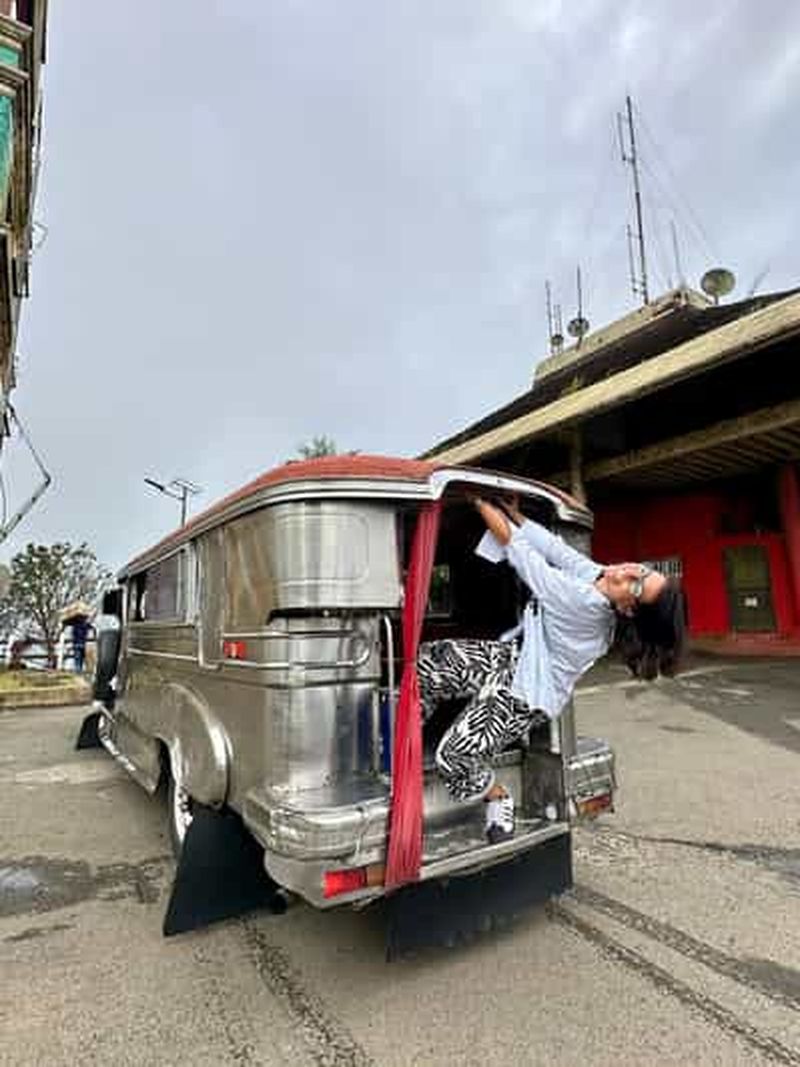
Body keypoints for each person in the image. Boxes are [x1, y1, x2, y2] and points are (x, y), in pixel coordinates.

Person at [418, 495, 686, 843]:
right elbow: (557, 551)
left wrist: (479, 500)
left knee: (453, 757)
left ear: (628, 609)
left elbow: (525, 557)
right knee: (431, 659)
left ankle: (498, 799)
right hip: (515, 656)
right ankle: (411, 724)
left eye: (636, 585)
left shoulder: (585, 607)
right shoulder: (602, 578)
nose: (630, 571)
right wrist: (514, 513)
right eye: (644, 570)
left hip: (527, 693)